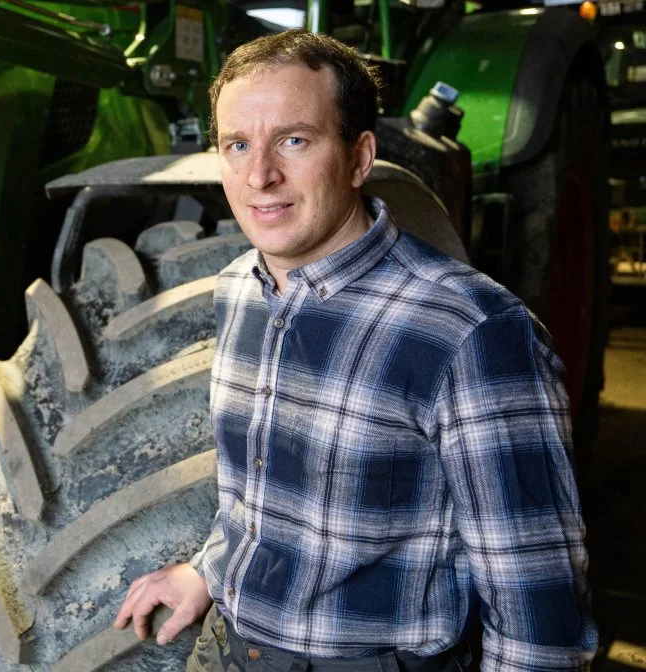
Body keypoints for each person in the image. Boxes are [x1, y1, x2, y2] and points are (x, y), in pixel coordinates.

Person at [114, 30, 597, 671]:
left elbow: (539, 615)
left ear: (359, 156)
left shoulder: (471, 332)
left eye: (294, 140)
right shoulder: (238, 290)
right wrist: (208, 571)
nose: (260, 174)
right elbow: (257, 492)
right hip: (230, 651)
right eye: (237, 145)